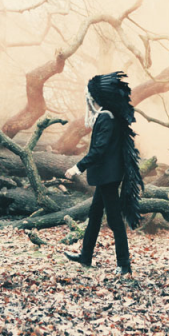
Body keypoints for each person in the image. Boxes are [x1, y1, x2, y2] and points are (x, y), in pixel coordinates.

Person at [64, 71, 144, 275]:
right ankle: (85, 255)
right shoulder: (108, 116)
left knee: (115, 220)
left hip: (108, 177)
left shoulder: (106, 117)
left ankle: (124, 264)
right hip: (106, 176)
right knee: (95, 215)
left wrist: (77, 167)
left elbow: (99, 150)